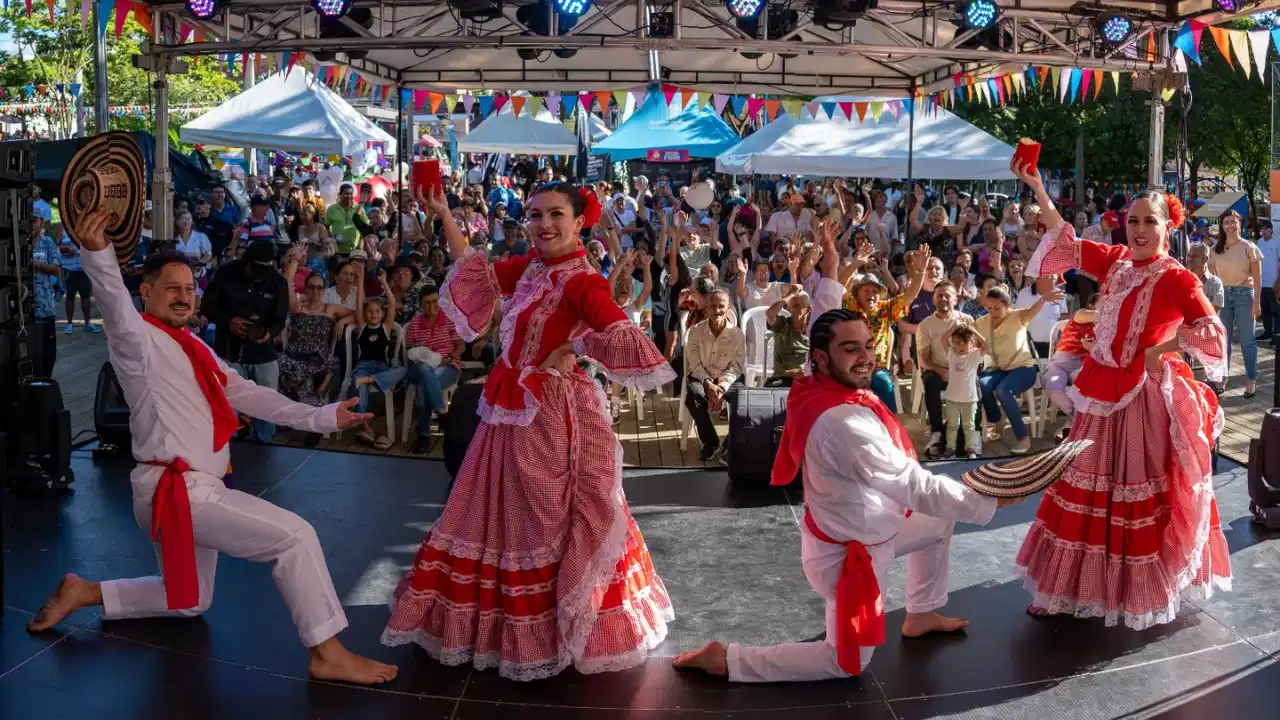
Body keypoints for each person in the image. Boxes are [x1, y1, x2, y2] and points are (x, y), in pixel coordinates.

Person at [26, 209, 397, 685]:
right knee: (296, 536)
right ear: (147, 293)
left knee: (192, 601)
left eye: (188, 289)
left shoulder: (193, 345)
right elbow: (114, 303)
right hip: (179, 492)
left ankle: (87, 591)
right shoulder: (137, 341)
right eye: (171, 289)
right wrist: (97, 252)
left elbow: (249, 393)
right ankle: (327, 652)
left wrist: (323, 416)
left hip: (195, 488)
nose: (183, 297)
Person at [382, 182, 676, 681]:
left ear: (579, 221)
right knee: (490, 513)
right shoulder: (533, 269)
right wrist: (445, 215)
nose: (544, 224)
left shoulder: (583, 281)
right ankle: (502, 625)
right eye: (536, 214)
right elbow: (475, 273)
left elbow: (619, 332)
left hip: (546, 414)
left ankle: (557, 623)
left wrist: (575, 349)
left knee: (543, 519)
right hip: (507, 411)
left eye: (556, 214)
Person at [672, 309, 1013, 682]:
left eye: (867, 345)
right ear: (819, 357)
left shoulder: (820, 387)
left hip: (872, 533)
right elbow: (913, 485)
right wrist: (989, 501)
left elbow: (913, 488)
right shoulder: (842, 421)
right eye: (851, 349)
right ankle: (728, 660)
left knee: (938, 522)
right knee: (844, 664)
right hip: (851, 561)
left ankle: (922, 613)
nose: (866, 356)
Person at [1013, 154, 1231, 628]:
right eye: (1132, 220)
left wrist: (1165, 348)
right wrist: (1038, 188)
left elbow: (1213, 334)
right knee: (1082, 486)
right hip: (1099, 392)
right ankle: (1065, 590)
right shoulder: (1115, 262)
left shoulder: (1177, 277)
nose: (1138, 229)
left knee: (1130, 496)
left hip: (1141, 400)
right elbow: (1065, 241)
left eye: (1148, 221)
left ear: (1167, 227)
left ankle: (1129, 594)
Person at [684, 289, 746, 460]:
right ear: (707, 308)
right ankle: (710, 442)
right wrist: (709, 384)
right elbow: (694, 363)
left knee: (745, 401)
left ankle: (729, 445)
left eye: (721, 306)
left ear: (728, 309)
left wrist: (722, 387)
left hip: (728, 378)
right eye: (713, 306)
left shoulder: (736, 334)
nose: (717, 310)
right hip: (702, 376)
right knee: (694, 397)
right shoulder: (696, 331)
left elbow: (736, 366)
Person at [402, 284, 463, 455]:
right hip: (420, 367)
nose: (432, 306)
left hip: (447, 366)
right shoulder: (415, 323)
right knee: (424, 369)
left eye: (435, 301)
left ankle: (423, 435)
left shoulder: (449, 320)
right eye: (427, 303)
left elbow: (460, 346)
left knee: (423, 386)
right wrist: (420, 352)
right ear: (421, 304)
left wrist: (450, 358)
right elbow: (410, 352)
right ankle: (439, 409)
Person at [1208, 210, 1261, 398]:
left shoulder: (1249, 247)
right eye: (1226, 222)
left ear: (1240, 223)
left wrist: (1257, 301)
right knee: (1224, 341)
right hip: (1223, 296)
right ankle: (1223, 377)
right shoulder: (1215, 249)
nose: (1230, 225)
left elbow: (1257, 277)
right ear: (1222, 226)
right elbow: (1213, 279)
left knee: (1248, 341)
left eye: (1233, 222)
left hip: (1245, 294)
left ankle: (1251, 380)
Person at [1040, 295, 1097, 441]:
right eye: (1102, 304)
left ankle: (1072, 424)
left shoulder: (1105, 327)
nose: (1106, 307)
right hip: (1062, 360)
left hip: (1084, 363)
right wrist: (1112, 313)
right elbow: (1094, 315)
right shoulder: (1081, 314)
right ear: (1090, 306)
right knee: (1053, 385)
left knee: (1085, 387)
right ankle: (1077, 421)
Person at [940, 323, 986, 459]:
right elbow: (943, 339)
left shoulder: (974, 355)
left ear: (971, 343)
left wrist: (974, 331)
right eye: (956, 343)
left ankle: (970, 448)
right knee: (952, 425)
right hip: (952, 398)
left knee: (969, 426)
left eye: (963, 343)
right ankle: (950, 449)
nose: (959, 346)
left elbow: (986, 345)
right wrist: (952, 329)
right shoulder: (951, 354)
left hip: (970, 399)